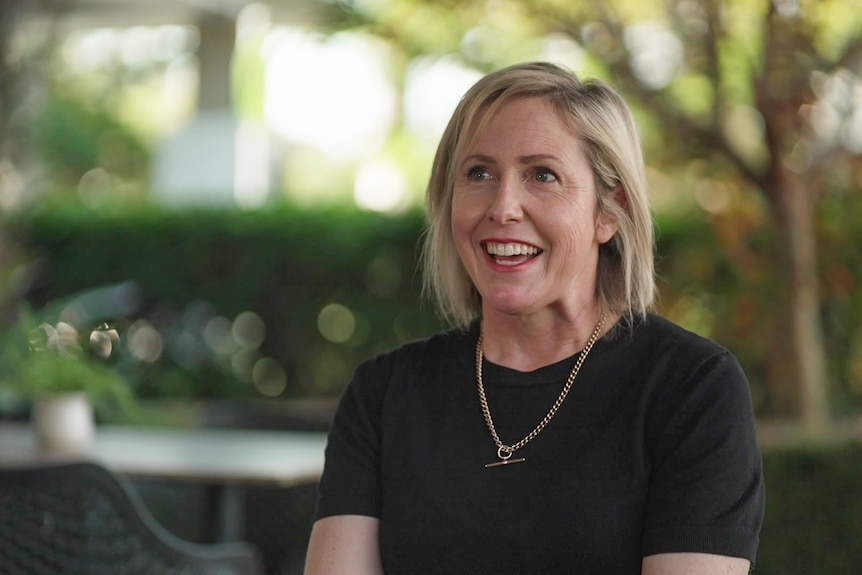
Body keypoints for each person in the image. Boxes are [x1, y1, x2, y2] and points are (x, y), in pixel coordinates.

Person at [304, 61, 764, 574]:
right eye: (479, 173)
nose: (503, 206)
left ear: (609, 211)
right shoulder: (383, 395)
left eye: (542, 175)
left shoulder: (692, 389)